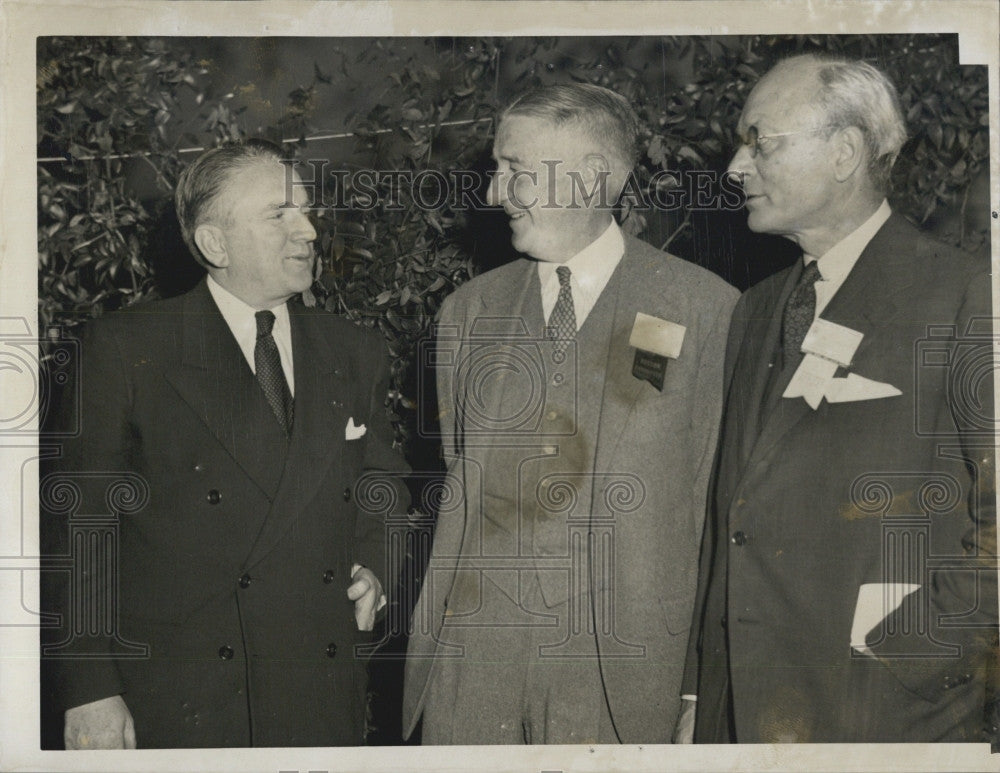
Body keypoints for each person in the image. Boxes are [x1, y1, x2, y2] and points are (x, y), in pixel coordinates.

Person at [40, 139, 409, 748]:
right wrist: (88, 689)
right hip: (183, 693)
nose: (309, 229)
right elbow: (77, 529)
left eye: (307, 210)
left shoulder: (352, 348)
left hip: (318, 684)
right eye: (280, 215)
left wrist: (379, 567)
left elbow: (383, 484)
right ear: (215, 244)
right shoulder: (126, 347)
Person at [403, 83, 738, 744]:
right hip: (474, 664)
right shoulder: (466, 314)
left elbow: (712, 508)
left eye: (516, 170)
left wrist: (699, 679)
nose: (496, 193)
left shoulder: (705, 309)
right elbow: (456, 479)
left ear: (591, 178)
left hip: (625, 671)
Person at [678, 54, 997, 743]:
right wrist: (699, 696)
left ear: (846, 151)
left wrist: (909, 658)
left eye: (759, 140)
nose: (735, 167)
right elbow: (734, 518)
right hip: (741, 721)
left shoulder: (966, 293)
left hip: (886, 720)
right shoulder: (756, 311)